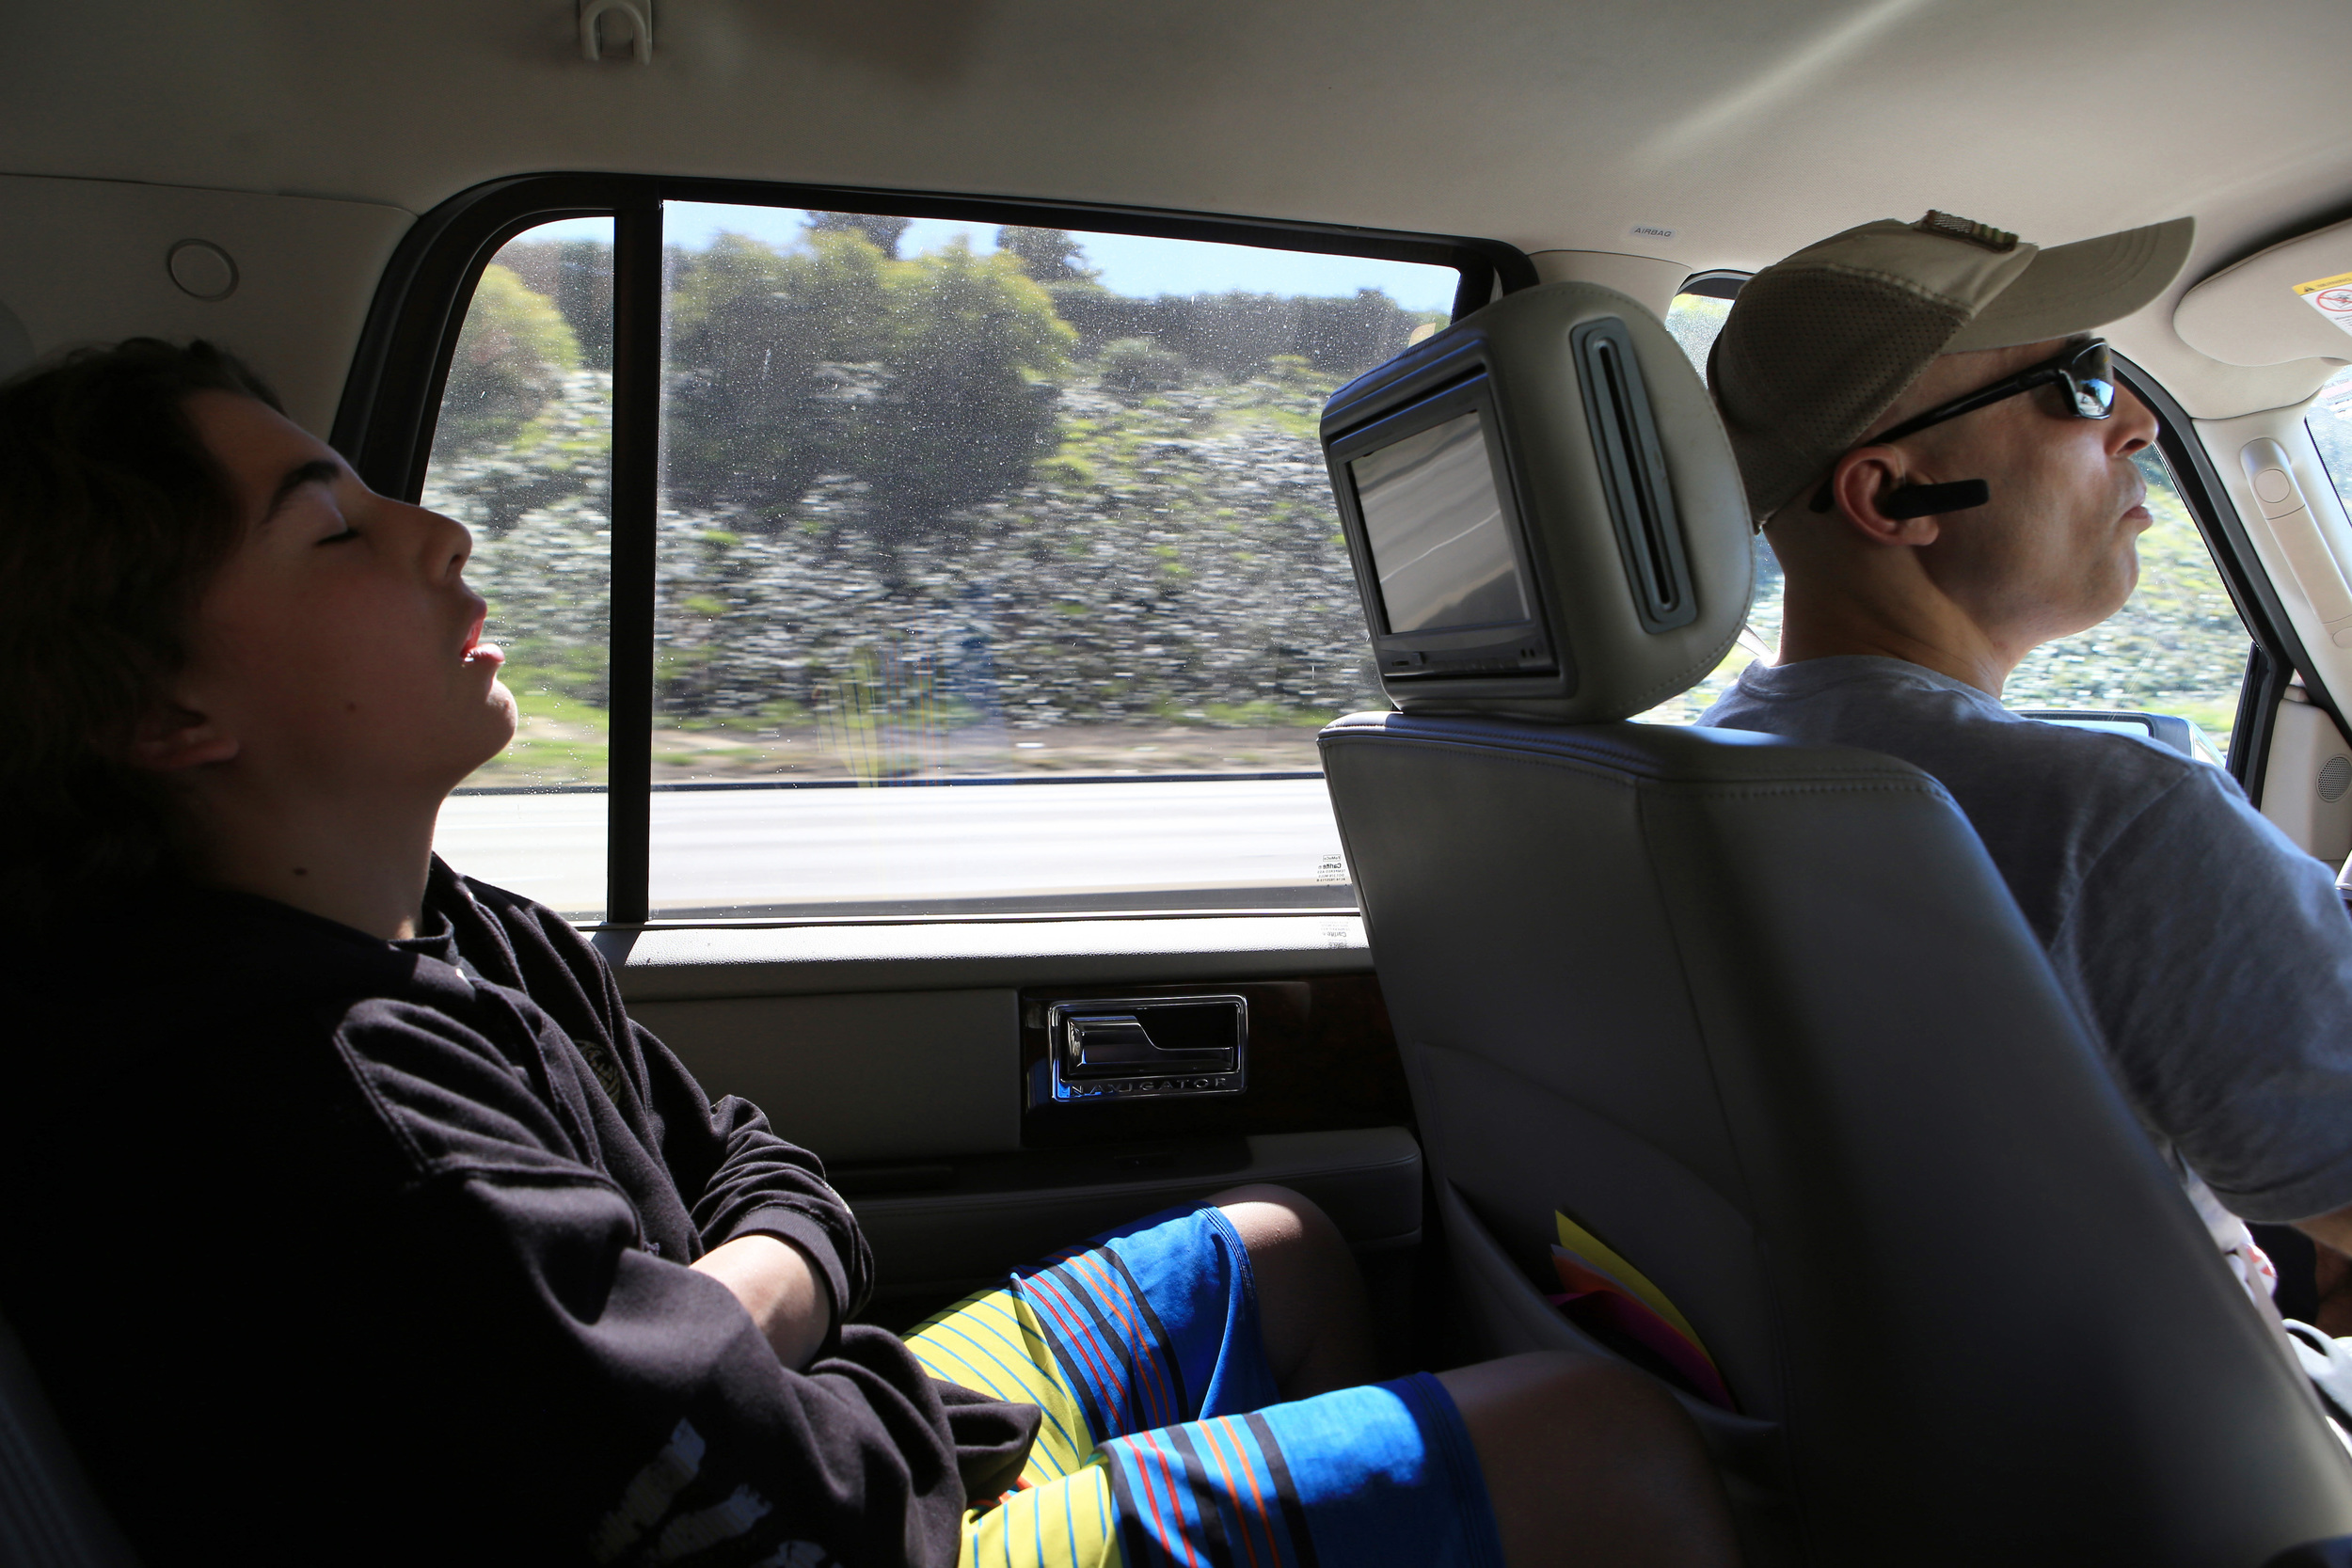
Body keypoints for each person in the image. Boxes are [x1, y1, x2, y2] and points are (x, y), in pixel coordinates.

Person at [0, 339, 1737, 1568]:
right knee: (1614, 1451)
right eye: (332, 526)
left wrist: (725, 1326)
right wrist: (776, 1354)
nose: (436, 532)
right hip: (829, 1525)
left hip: (811, 1442)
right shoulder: (304, 1108)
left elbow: (769, 1171)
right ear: (167, 712)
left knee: (1279, 1248)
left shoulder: (452, 924)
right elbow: (801, 1511)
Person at [1698, 211, 2352, 1299]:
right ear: (1890, 494)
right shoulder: (2117, 820)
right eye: (2080, 384)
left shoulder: (1711, 761)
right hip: (2187, 1447)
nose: (2140, 420)